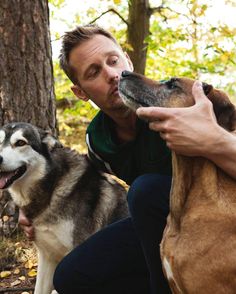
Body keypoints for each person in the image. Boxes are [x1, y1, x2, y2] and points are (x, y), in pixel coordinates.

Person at [19, 24, 236, 294]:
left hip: (214, 219)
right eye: (94, 72)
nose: (111, 74)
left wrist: (212, 139)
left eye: (113, 61)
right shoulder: (97, 140)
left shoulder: (187, 104)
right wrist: (32, 207)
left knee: (144, 191)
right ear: (80, 92)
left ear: (127, 60)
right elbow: (76, 181)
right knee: (71, 277)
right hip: (159, 223)